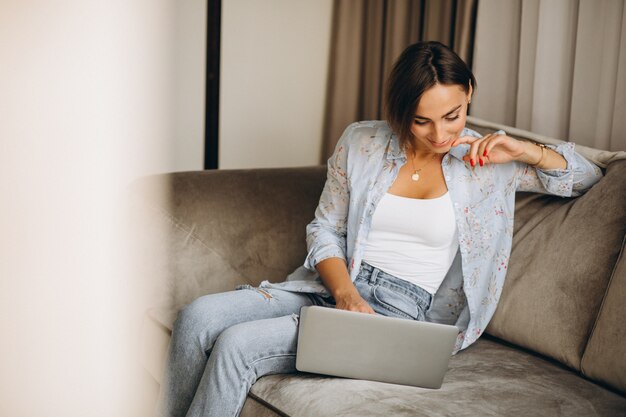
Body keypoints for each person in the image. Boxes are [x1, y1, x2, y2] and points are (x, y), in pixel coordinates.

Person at [154, 41, 603, 417]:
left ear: (468, 93)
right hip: (330, 285)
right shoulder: (362, 142)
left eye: (454, 114)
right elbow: (324, 228)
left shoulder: (488, 162)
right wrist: (346, 294)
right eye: (422, 120)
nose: (441, 135)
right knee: (196, 317)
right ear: (400, 110)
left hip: (399, 312)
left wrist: (526, 150)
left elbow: (588, 179)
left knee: (237, 345)